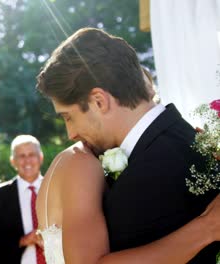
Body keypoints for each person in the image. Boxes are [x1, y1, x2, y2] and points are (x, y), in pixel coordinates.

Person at [35, 27, 220, 263]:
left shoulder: (163, 166)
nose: (70, 133)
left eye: (68, 117)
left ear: (99, 101)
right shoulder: (177, 144)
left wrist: (207, 228)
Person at [0, 135, 47, 264]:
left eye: (32, 154)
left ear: (41, 157)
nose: (27, 161)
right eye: (21, 156)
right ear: (12, 161)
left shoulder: (56, 189)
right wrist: (22, 240)